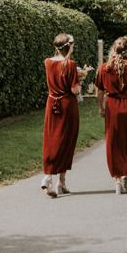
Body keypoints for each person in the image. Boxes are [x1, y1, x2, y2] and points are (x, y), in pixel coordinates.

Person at [95, 37, 127, 194]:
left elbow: (100, 92)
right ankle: (125, 176)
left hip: (113, 106)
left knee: (114, 141)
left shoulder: (104, 68)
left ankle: (117, 178)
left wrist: (101, 107)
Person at [41, 33, 82, 197]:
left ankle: (49, 177)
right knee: (67, 140)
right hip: (67, 104)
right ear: (69, 47)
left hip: (52, 103)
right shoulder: (70, 65)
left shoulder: (47, 62)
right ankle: (60, 181)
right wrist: (79, 80)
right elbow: (74, 89)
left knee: (52, 138)